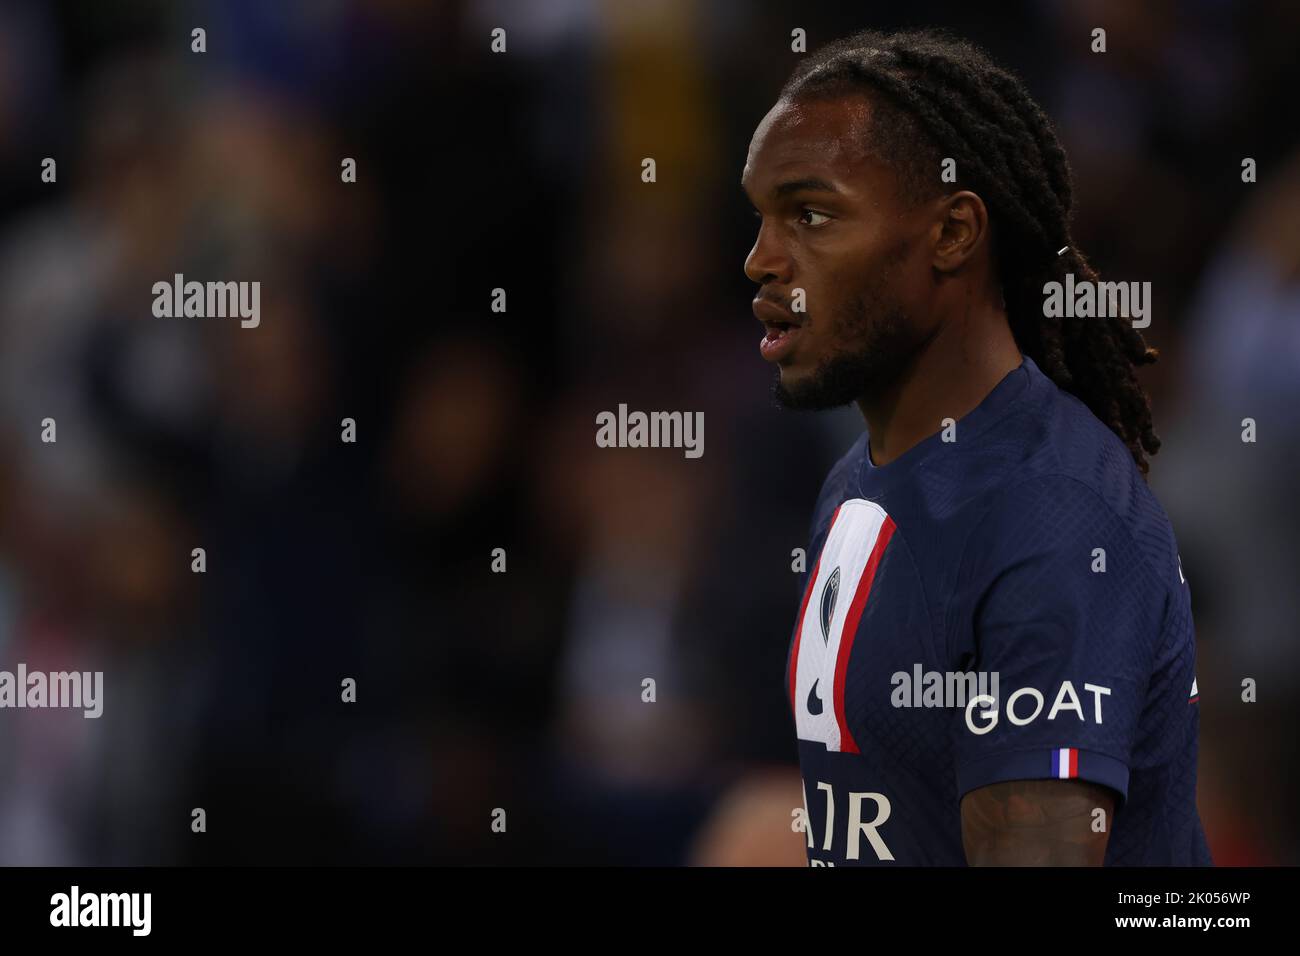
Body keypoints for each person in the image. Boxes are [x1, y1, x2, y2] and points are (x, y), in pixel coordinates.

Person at [741, 29, 1211, 865]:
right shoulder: (859, 478)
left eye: (810, 215)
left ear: (954, 232)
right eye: (762, 217)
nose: (761, 260)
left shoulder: (1051, 517)